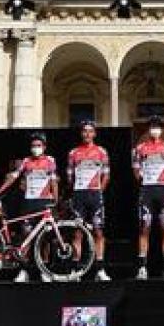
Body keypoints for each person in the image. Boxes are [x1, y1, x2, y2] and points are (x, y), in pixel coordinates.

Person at [0, 133, 59, 283]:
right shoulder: (26, 161)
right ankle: (24, 271)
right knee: (26, 238)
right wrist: (0, 191)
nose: (35, 148)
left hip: (44, 202)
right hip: (29, 203)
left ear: (44, 147)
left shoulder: (50, 161)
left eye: (39, 145)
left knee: (44, 239)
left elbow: (54, 181)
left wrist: (56, 199)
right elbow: (13, 177)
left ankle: (44, 271)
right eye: (33, 146)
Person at [132, 117, 164, 280]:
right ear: (148, 129)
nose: (155, 129)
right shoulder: (140, 148)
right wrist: (145, 180)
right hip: (147, 190)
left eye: (157, 126)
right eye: (152, 126)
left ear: (162, 129)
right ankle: (142, 267)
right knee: (144, 228)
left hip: (163, 190)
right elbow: (136, 171)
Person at [66, 120, 112, 281]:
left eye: (90, 131)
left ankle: (100, 269)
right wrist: (75, 191)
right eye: (84, 131)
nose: (87, 134)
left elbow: (106, 175)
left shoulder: (101, 151)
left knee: (98, 231)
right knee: (77, 233)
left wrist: (99, 190)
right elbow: (69, 176)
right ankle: (75, 270)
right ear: (81, 133)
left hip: (95, 195)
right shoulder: (73, 153)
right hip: (79, 195)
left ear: (94, 133)